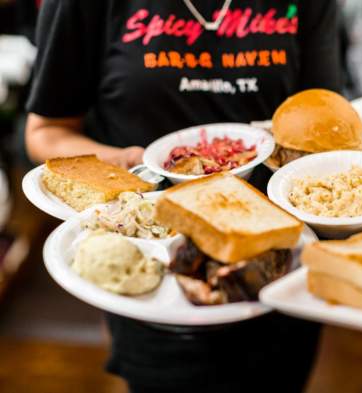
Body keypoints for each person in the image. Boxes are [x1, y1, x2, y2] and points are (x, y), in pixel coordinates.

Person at [25, 1, 341, 392]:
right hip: (155, 283)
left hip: (280, 271)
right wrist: (122, 161)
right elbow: (46, 131)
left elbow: (326, 121)